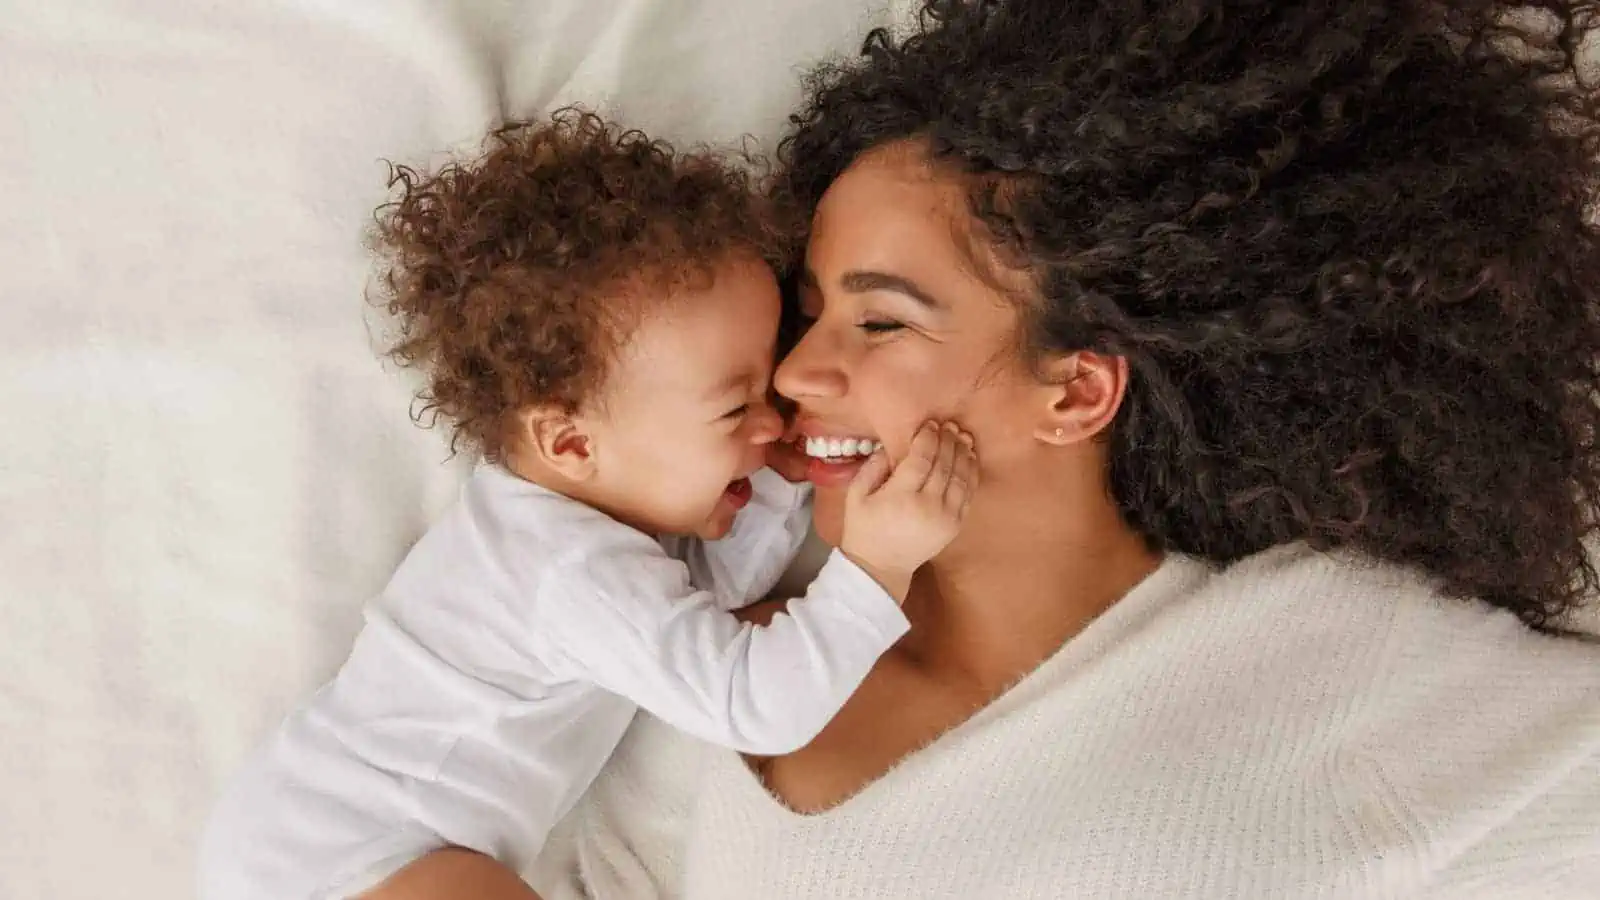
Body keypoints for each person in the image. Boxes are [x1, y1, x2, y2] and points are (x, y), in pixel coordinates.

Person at [372, 1, 1600, 897]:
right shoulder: (710, 645)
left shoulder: (1328, 658)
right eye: (807, 312)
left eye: (879, 319)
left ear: (1074, 391)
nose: (798, 374)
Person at [195, 110, 979, 900]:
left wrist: (778, 476)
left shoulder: (576, 523)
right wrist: (876, 566)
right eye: (734, 410)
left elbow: (710, 609)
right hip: (344, 856)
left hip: (328, 839)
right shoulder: (564, 568)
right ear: (570, 443)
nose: (773, 419)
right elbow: (749, 701)